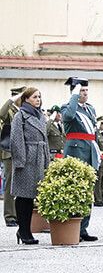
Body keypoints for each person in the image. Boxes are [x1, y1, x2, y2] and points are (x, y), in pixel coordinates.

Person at [61, 77, 100, 242]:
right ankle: (73, 225)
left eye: (86, 91)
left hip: (89, 152)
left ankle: (83, 228)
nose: (85, 93)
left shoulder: (90, 109)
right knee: (74, 190)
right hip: (75, 152)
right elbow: (69, 117)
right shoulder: (68, 107)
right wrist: (74, 96)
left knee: (87, 192)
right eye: (81, 91)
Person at [9, 87, 48, 245]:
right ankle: (24, 231)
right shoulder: (20, 115)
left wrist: (46, 161)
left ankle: (25, 230)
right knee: (23, 197)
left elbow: (44, 140)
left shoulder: (40, 116)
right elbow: (15, 139)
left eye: (39, 96)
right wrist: (20, 161)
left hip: (39, 159)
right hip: (26, 160)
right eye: (34, 97)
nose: (38, 99)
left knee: (31, 197)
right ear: (26, 99)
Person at [0, 86, 24, 227]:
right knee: (10, 184)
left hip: (20, 151)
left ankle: (19, 214)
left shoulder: (22, 111)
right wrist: (11, 100)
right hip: (9, 152)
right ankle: (10, 216)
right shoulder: (10, 110)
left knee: (20, 184)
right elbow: (0, 114)